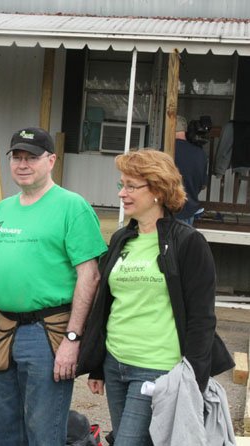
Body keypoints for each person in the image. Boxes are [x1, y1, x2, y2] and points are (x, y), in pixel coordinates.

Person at [77, 149, 234, 445]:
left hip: (157, 368)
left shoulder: (187, 242)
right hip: (116, 363)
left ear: (158, 191)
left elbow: (202, 318)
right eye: (121, 185)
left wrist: (193, 381)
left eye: (131, 186)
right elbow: (107, 306)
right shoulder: (122, 238)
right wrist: (98, 364)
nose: (122, 193)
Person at [0, 127, 108, 445]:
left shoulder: (72, 207)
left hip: (47, 335)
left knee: (43, 431)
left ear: (51, 160)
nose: (22, 164)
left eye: (31, 158)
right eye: (16, 157)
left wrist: (72, 339)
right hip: (2, 332)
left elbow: (90, 276)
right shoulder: (2, 210)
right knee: (3, 430)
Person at [174, 115, 207, 224]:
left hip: (169, 209)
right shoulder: (200, 153)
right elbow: (203, 185)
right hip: (190, 209)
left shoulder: (165, 151)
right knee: (184, 240)